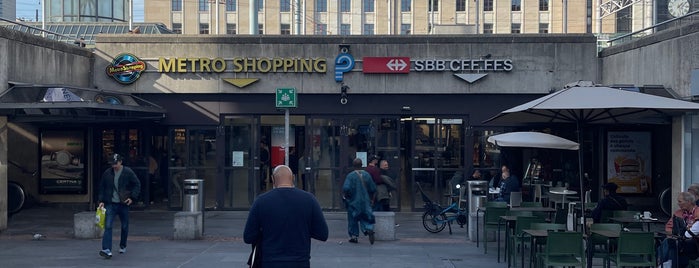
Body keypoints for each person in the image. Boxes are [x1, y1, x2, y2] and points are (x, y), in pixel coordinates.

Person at [243, 165, 329, 268]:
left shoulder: (261, 201)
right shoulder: (309, 200)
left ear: (272, 179)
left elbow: (248, 237)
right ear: (293, 178)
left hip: (270, 262)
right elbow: (323, 234)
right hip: (300, 262)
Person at [97, 153, 141, 259]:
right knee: (108, 226)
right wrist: (101, 200)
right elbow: (102, 187)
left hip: (123, 203)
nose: (114, 166)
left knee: (124, 226)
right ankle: (106, 249)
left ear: (120, 162)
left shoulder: (127, 172)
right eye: (112, 164)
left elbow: (137, 184)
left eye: (115, 163)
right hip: (110, 203)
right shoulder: (107, 173)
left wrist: (132, 198)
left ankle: (123, 245)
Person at [658, 192, 699, 268]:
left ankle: (664, 264)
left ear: (688, 202)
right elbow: (668, 227)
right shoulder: (678, 213)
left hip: (694, 241)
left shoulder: (698, 212)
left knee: (670, 243)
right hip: (680, 239)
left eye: (680, 201)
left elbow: (695, 230)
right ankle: (665, 264)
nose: (678, 204)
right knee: (669, 242)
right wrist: (674, 234)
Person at [343, 158, 377, 244]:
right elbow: (373, 188)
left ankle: (354, 236)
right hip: (365, 201)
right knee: (365, 216)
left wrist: (346, 196)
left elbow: (346, 188)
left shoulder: (350, 176)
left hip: (353, 201)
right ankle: (368, 229)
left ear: (353, 165)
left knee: (353, 218)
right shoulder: (367, 175)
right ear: (362, 165)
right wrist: (372, 199)